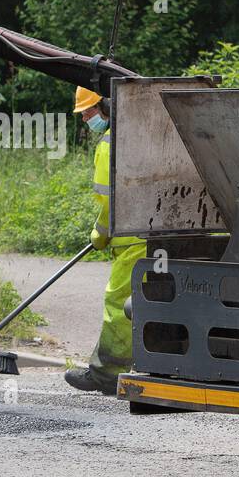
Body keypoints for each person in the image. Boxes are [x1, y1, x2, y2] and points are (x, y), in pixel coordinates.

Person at [64, 88, 145, 395]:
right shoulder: (139, 132)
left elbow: (109, 202)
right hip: (158, 236)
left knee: (118, 304)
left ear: (107, 105)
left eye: (88, 112)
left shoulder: (110, 144)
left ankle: (108, 374)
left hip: (132, 240)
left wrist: (99, 235)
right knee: (148, 303)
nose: (86, 119)